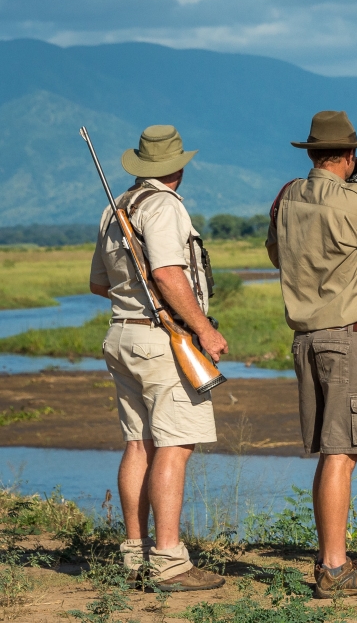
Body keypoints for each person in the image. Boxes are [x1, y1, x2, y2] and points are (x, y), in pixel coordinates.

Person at [266, 111, 357, 597]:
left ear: (309, 153)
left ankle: (334, 558)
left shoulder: (287, 198)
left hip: (306, 339)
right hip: (348, 339)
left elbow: (275, 254)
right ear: (349, 156)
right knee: (342, 453)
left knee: (333, 452)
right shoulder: (352, 200)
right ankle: (333, 566)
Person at [89, 125, 228, 591]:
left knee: (138, 444)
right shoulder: (165, 206)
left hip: (121, 334)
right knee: (174, 445)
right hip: (160, 340)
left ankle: (135, 554)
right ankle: (170, 562)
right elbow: (169, 274)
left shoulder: (116, 207)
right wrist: (204, 330)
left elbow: (98, 284)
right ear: (177, 166)